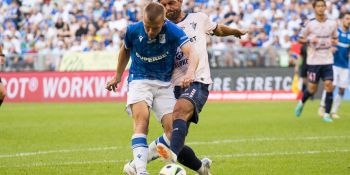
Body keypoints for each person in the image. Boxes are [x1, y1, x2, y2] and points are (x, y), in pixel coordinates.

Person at [123, 0, 247, 174]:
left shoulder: (198, 19)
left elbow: (217, 29)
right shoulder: (160, 28)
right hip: (171, 85)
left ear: (180, 1)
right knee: (174, 137)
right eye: (164, 5)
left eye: (171, 3)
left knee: (180, 112)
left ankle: (162, 164)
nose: (168, 8)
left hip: (197, 80)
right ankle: (201, 168)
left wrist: (234, 31)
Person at [105, 2, 198, 175]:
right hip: (139, 80)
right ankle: (141, 171)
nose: (149, 32)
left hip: (164, 84)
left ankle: (136, 163)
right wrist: (117, 75)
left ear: (163, 22)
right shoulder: (133, 30)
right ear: (143, 20)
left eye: (154, 28)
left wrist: (190, 72)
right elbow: (124, 51)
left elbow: (191, 52)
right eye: (147, 27)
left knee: (172, 133)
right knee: (142, 122)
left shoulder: (173, 31)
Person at [294, 0, 338, 123]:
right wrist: (309, 41)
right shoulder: (309, 24)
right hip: (313, 61)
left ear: (325, 7)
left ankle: (327, 114)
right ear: (314, 8)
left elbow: (335, 39)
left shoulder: (332, 23)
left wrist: (333, 43)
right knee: (312, 88)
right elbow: (300, 40)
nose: (320, 8)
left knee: (329, 85)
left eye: (322, 6)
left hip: (328, 60)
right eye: (318, 6)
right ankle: (302, 103)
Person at [318, 12, 350, 119]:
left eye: (349, 19)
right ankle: (322, 106)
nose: (348, 21)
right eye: (347, 18)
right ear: (342, 20)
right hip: (334, 64)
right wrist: (330, 48)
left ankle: (334, 111)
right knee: (331, 86)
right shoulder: (336, 32)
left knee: (342, 89)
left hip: (345, 66)